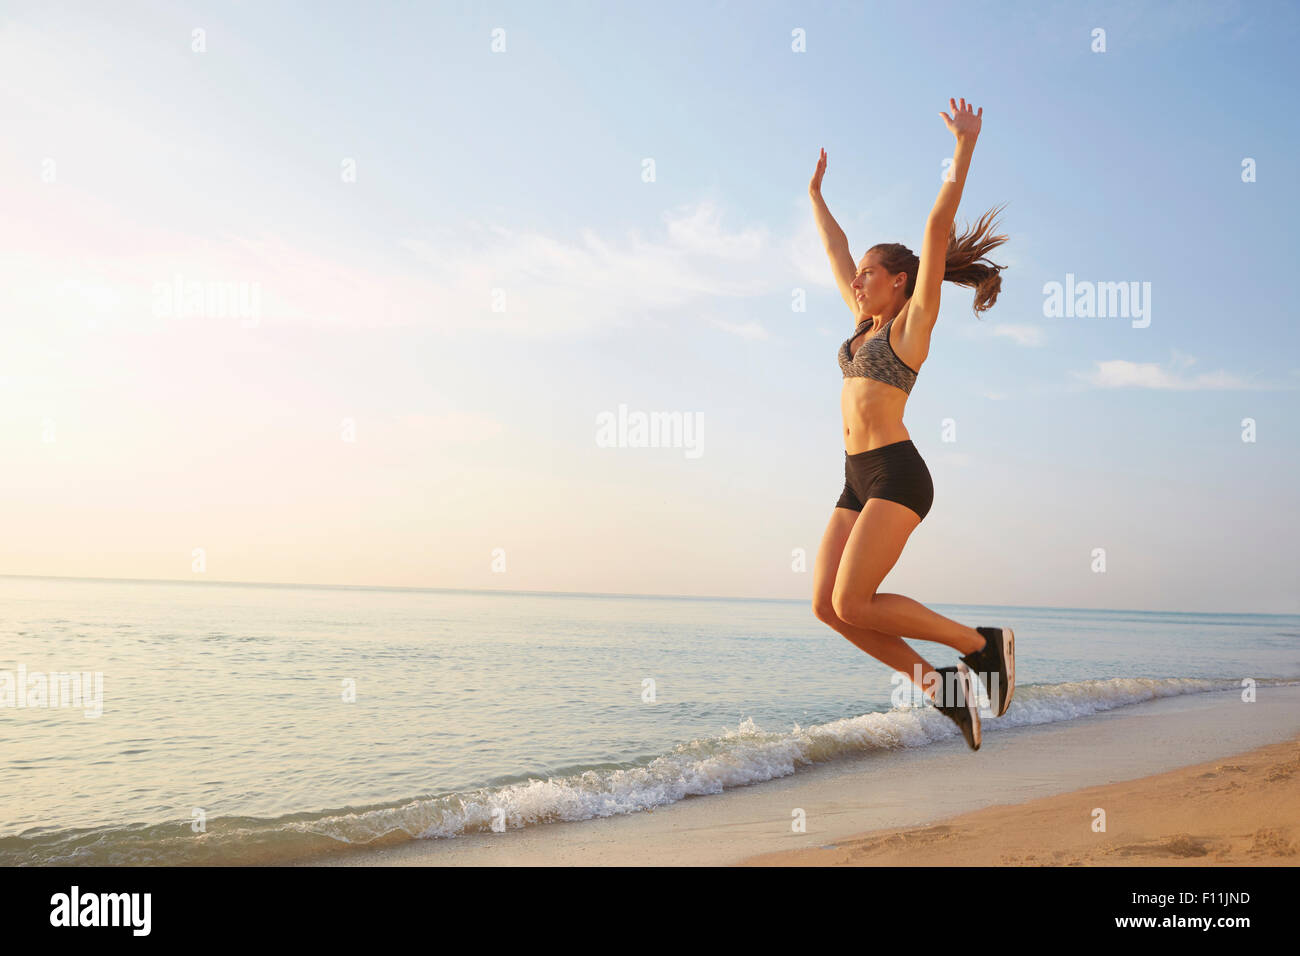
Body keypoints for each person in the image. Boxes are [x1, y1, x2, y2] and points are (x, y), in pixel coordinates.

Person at [808, 97, 1015, 751]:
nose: (858, 279)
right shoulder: (863, 318)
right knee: (827, 607)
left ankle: (979, 644)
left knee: (855, 602)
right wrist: (815, 195)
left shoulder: (910, 324)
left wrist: (963, 147)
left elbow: (936, 224)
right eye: (859, 274)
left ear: (900, 283)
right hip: (855, 476)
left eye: (871, 273)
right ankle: (945, 691)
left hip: (897, 473)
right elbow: (838, 249)